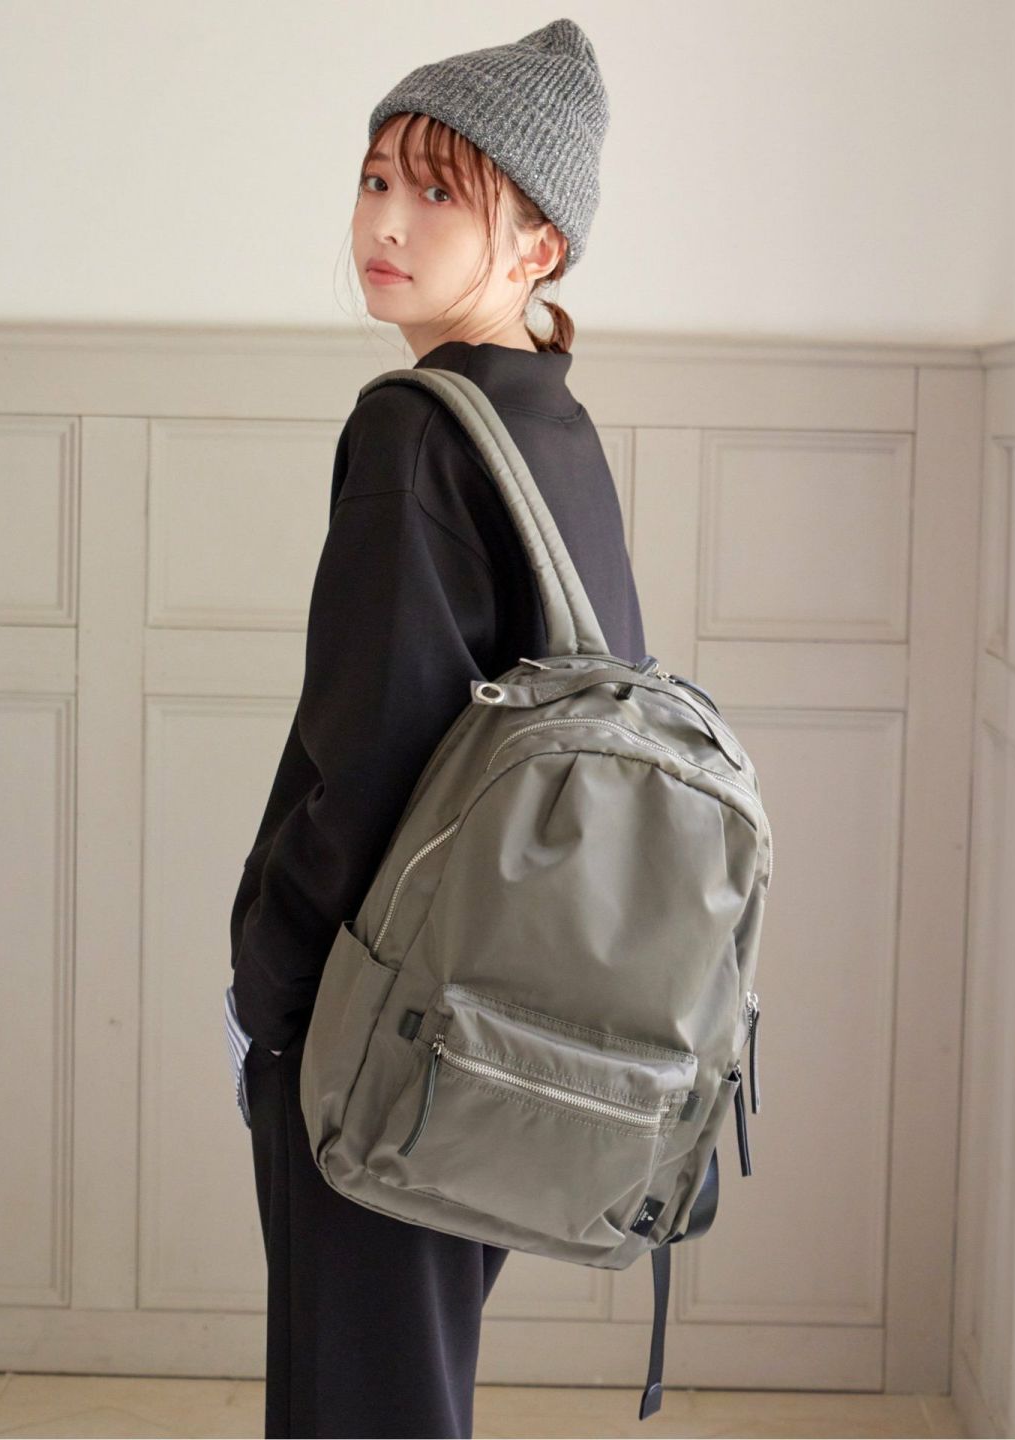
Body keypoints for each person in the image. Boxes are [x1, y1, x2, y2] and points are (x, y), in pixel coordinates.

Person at [225, 18, 646, 1438]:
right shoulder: (549, 423)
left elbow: (370, 761)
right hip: (503, 1015)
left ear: (539, 245)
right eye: (374, 179)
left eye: (439, 194)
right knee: (407, 1389)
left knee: (356, 1405)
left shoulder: (415, 431)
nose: (385, 223)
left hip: (380, 1015)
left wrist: (270, 982)